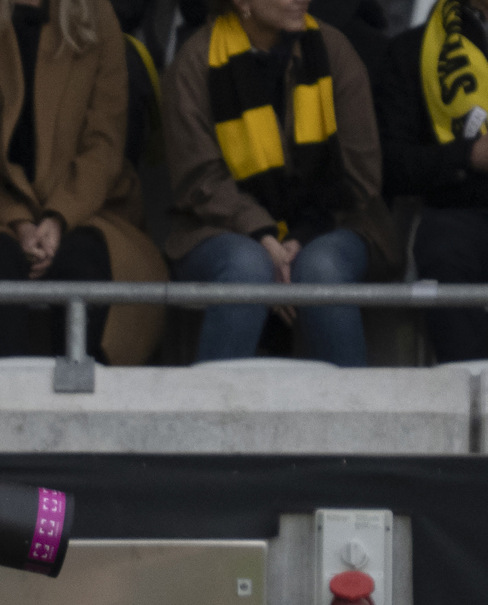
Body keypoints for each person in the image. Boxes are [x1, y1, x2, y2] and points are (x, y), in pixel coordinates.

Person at [161, 0, 400, 365]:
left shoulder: (334, 49)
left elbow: (361, 173)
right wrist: (263, 234)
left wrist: (298, 238)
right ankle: (213, 417)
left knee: (320, 268)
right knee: (247, 267)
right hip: (218, 227)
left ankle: (349, 418)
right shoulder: (195, 60)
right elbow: (199, 178)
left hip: (338, 221)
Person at [0, 0, 168, 363]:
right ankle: (2, 410)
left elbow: (104, 143)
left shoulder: (95, 12)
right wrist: (18, 221)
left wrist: (58, 218)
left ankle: (86, 412)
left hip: (88, 207)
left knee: (84, 260)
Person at [377, 0, 488, 362]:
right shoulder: (411, 51)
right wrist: (468, 156)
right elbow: (394, 164)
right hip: (460, 206)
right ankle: (474, 392)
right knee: (444, 252)